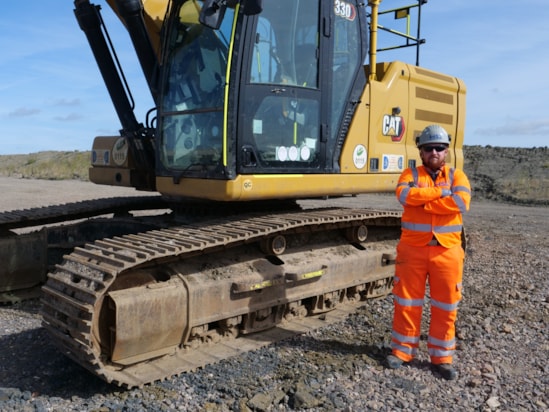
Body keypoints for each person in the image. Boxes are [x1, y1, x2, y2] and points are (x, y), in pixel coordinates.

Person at [386, 124, 471, 380]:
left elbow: (460, 202)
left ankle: (442, 357)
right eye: (429, 148)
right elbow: (404, 196)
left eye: (440, 148)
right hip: (412, 250)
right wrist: (439, 194)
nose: (434, 152)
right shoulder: (408, 174)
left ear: (446, 151)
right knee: (406, 303)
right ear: (421, 151)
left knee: (446, 306)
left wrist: (423, 200)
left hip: (448, 252)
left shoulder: (458, 177)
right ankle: (402, 352)